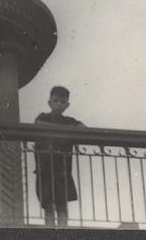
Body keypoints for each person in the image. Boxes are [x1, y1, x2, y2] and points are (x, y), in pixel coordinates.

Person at [34, 86, 85, 227]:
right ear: (49, 102)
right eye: (55, 101)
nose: (58, 104)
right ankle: (50, 231)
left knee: (62, 204)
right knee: (48, 204)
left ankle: (63, 231)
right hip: (45, 169)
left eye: (62, 102)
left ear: (67, 105)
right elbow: (38, 125)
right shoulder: (43, 117)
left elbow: (84, 128)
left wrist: (68, 128)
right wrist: (66, 130)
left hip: (62, 171)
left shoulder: (69, 120)